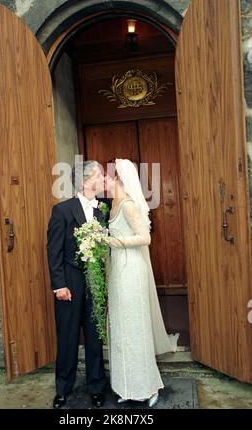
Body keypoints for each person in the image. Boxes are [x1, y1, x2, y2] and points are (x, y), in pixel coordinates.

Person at [105, 158, 179, 407]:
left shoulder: (128, 205)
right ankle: (125, 384)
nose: (104, 180)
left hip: (131, 270)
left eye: (107, 176)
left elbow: (145, 238)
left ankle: (148, 386)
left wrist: (115, 242)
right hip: (117, 271)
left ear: (119, 179)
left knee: (135, 326)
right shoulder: (112, 204)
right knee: (121, 327)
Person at [47, 160, 111, 409]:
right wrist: (59, 285)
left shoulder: (104, 208)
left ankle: (97, 386)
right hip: (69, 286)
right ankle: (63, 388)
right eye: (98, 175)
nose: (102, 178)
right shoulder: (61, 210)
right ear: (84, 181)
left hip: (95, 284)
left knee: (95, 337)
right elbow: (53, 251)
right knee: (68, 337)